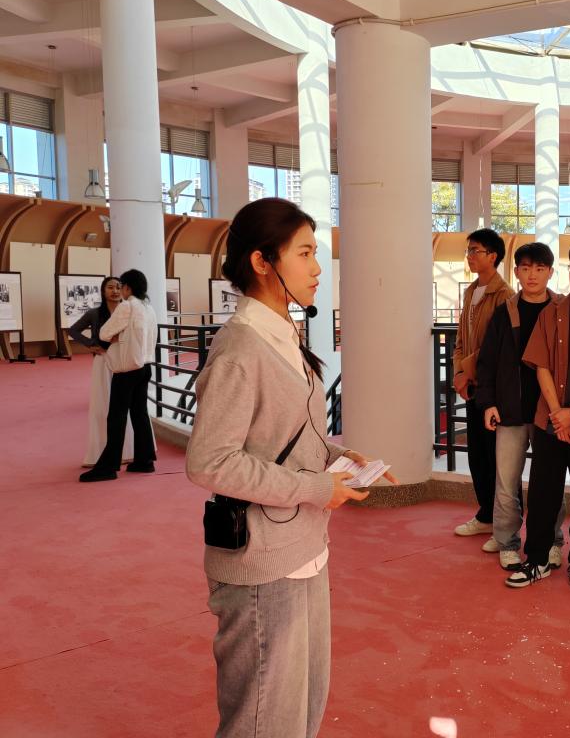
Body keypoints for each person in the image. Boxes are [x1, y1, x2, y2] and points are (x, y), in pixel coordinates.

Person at [186, 198, 394, 737]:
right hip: (261, 560)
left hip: (303, 546)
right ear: (262, 261)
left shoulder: (283, 335)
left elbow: (284, 435)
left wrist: (340, 459)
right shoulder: (241, 349)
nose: (317, 267)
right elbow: (210, 462)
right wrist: (316, 488)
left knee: (302, 709)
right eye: (303, 253)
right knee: (264, 721)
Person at [505, 241, 570, 590]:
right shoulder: (552, 312)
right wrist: (557, 414)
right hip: (549, 420)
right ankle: (536, 560)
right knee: (542, 494)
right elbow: (541, 366)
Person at [475, 242, 565, 570]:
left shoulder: (561, 309)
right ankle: (507, 541)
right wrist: (488, 403)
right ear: (516, 272)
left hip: (549, 411)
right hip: (510, 410)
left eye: (539, 269)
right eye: (525, 268)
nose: (532, 275)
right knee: (506, 481)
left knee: (549, 481)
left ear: (551, 272)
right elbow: (487, 362)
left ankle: (552, 539)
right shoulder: (505, 312)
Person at [452, 229, 514, 548]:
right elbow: (460, 337)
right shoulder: (470, 291)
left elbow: (496, 345)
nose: (470, 256)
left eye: (475, 251)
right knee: (476, 454)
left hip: (492, 388)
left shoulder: (504, 295)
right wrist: (459, 372)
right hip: (472, 384)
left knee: (494, 457)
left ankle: (501, 521)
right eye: (469, 251)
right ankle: (486, 515)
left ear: (493, 256)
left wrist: (466, 370)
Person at [79, 269, 158, 483]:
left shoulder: (127, 306)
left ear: (128, 287)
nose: (119, 290)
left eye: (121, 286)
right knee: (140, 413)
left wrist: (117, 335)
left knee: (116, 416)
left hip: (126, 369)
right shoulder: (148, 308)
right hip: (145, 366)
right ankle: (145, 460)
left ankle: (108, 467)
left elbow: (104, 333)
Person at [68, 276, 134, 467]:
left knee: (126, 406)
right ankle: (99, 454)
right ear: (103, 291)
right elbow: (73, 330)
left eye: (119, 287)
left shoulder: (128, 311)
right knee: (101, 406)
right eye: (110, 287)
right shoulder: (95, 313)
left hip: (124, 361)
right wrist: (91, 344)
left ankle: (128, 452)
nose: (115, 291)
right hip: (103, 361)